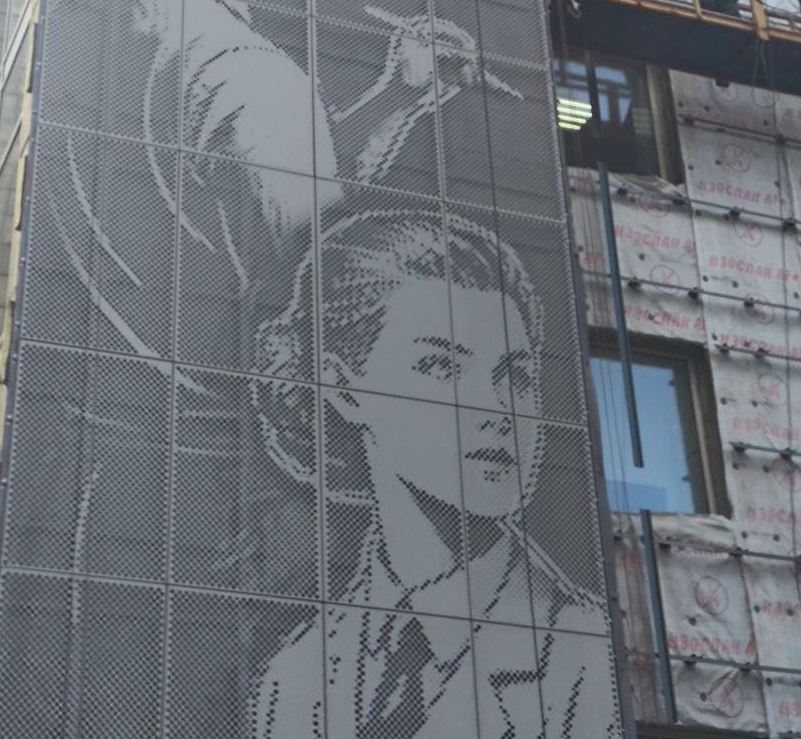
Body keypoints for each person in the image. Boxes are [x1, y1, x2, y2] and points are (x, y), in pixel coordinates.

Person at [250, 208, 619, 738]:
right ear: (342, 387)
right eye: (442, 366)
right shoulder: (293, 681)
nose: (498, 411)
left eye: (516, 376)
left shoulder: (587, 660)